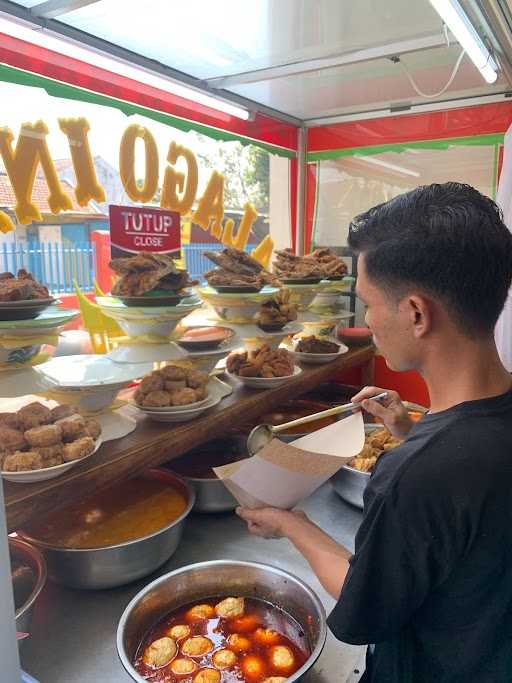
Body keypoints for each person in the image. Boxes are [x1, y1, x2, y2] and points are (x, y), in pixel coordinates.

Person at [237, 182, 512, 683]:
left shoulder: (416, 476)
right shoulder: (460, 441)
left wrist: (289, 522)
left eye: (367, 302)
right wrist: (408, 430)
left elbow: (365, 610)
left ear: (415, 313)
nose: (368, 319)